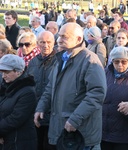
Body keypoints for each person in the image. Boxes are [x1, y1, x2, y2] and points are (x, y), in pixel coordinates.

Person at [34, 22, 107, 150]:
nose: (59, 40)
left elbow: (97, 94)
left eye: (64, 37)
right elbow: (51, 87)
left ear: (78, 39)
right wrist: (41, 107)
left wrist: (75, 119)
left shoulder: (90, 60)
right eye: (59, 36)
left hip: (80, 134)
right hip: (63, 130)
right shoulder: (62, 58)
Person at [0, 54, 37, 150]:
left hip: (19, 142)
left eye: (7, 72)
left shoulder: (27, 92)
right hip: (8, 140)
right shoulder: (5, 87)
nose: (3, 75)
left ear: (18, 72)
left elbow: (16, 118)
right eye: (2, 72)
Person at [26, 31, 56, 150]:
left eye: (48, 42)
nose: (45, 45)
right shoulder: (33, 62)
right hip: (36, 113)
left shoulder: (59, 61)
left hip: (53, 114)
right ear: (37, 43)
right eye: (42, 42)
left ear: (53, 43)